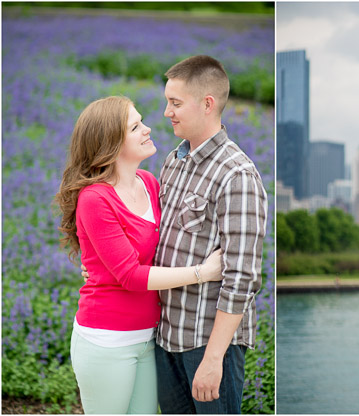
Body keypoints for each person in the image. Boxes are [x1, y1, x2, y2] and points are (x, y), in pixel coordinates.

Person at [56, 96, 224, 414]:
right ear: (111, 143)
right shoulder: (95, 199)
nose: (148, 129)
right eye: (135, 127)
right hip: (107, 340)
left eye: (141, 121)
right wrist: (204, 271)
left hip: (149, 337)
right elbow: (131, 275)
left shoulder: (148, 183)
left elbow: (164, 247)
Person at [154, 55, 267, 413]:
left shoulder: (237, 176)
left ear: (207, 104)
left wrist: (214, 358)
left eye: (175, 104)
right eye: (167, 103)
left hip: (207, 343)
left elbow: (242, 278)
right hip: (166, 335)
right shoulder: (175, 160)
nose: (167, 113)